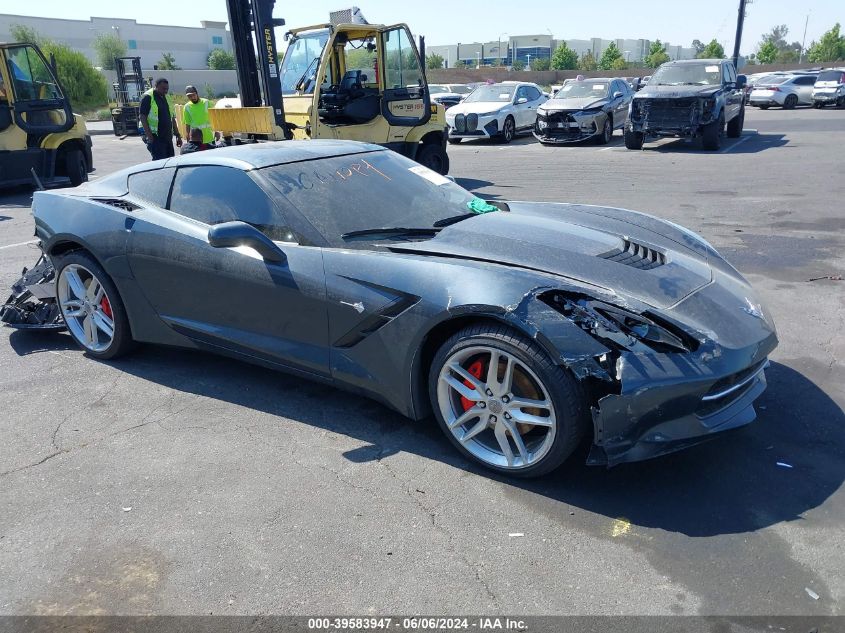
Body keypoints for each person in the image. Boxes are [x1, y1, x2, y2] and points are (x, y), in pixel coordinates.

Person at [140, 78, 182, 160]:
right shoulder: (148, 97)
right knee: (159, 162)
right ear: (156, 86)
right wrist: (150, 137)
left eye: (167, 89)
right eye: (163, 88)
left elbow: (172, 117)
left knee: (170, 161)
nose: (166, 91)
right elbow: (142, 117)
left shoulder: (167, 97)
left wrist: (177, 135)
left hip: (167, 137)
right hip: (155, 137)